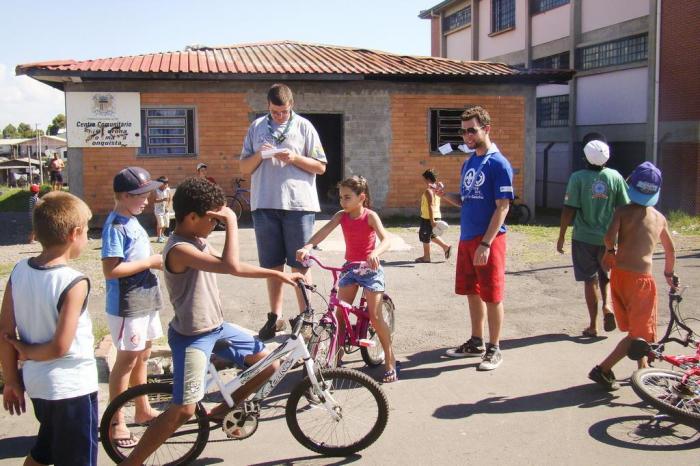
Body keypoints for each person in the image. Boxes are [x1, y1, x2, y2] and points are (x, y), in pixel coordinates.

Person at [121, 176, 302, 465]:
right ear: (192, 217)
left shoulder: (196, 240)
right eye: (212, 219)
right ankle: (133, 462)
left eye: (219, 219)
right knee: (183, 409)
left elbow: (233, 266)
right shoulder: (180, 249)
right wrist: (231, 221)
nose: (215, 224)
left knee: (270, 365)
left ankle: (218, 412)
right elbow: (230, 266)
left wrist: (277, 274)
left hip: (217, 328)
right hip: (193, 336)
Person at [0, 191, 98, 466]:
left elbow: (4, 331)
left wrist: (11, 380)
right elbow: (59, 346)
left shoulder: (19, 270)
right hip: (72, 387)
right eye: (87, 232)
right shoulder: (74, 281)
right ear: (74, 233)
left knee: (46, 450)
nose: (88, 238)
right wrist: (27, 351)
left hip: (38, 386)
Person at [240, 83, 327, 340]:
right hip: (264, 204)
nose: (280, 116)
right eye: (275, 112)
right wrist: (261, 155)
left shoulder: (304, 127)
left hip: (298, 205)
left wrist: (295, 158)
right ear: (268, 106)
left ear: (292, 106)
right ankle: (274, 317)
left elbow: (321, 166)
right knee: (272, 265)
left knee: (300, 263)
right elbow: (244, 167)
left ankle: (306, 317)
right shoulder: (256, 127)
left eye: (284, 112)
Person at [296, 176, 397, 382]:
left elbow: (386, 239)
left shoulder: (370, 216)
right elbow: (323, 232)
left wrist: (376, 252)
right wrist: (308, 246)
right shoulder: (341, 216)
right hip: (350, 268)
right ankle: (337, 354)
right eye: (341, 197)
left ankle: (390, 359)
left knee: (375, 317)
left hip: (370, 269)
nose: (343, 202)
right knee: (339, 313)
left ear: (361, 198)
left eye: (347, 197)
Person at [437, 105, 513, 371]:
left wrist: (486, 243)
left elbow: (502, 207)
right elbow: (466, 201)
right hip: (468, 237)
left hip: (487, 240)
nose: (467, 136)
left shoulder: (498, 163)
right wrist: (444, 195)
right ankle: (477, 341)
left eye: (472, 130)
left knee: (492, 294)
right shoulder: (469, 162)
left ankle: (494, 348)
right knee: (472, 291)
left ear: (486, 129)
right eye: (463, 131)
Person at [589, 162, 675, 390]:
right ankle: (603, 369)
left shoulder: (622, 211)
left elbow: (609, 238)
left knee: (638, 328)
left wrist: (610, 252)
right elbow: (670, 250)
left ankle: (643, 370)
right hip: (641, 281)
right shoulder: (659, 218)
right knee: (640, 333)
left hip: (619, 276)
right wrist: (669, 273)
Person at [102, 166, 164, 447]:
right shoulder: (116, 225)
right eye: (141, 196)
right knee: (126, 361)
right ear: (124, 195)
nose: (147, 200)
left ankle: (143, 409)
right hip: (128, 304)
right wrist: (150, 262)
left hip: (146, 297)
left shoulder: (132, 219)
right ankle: (116, 422)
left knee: (143, 355)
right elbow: (111, 270)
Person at [557, 140, 629, 337]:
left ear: (585, 157)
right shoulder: (615, 176)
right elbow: (624, 207)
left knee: (590, 281)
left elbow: (569, 209)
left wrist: (562, 235)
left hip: (583, 238)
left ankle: (593, 325)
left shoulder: (578, 178)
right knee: (605, 276)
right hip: (608, 238)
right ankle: (608, 306)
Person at [415, 169, 451, 263]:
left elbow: (430, 205)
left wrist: (432, 221)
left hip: (428, 218)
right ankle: (446, 247)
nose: (423, 181)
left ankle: (426, 257)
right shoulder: (437, 189)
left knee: (425, 236)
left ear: (427, 179)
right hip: (435, 216)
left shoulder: (429, 190)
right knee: (432, 235)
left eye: (424, 179)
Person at [154, 176, 172, 243]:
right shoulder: (156, 190)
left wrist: (168, 207)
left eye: (167, 183)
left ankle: (162, 234)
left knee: (166, 224)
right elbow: (154, 200)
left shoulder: (168, 189)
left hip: (165, 209)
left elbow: (170, 199)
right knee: (160, 224)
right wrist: (162, 200)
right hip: (158, 210)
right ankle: (159, 237)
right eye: (165, 184)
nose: (167, 185)